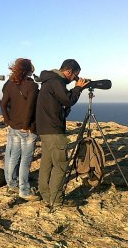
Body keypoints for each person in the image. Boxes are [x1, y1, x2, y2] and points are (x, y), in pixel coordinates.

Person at [36, 59, 89, 207]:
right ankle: (56, 200)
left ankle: (46, 195)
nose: (75, 79)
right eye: (75, 76)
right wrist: (78, 89)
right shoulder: (56, 82)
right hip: (54, 130)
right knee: (60, 166)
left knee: (47, 164)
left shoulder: (48, 80)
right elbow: (68, 100)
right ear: (69, 71)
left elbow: (60, 101)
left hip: (44, 129)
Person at [0, 58, 40, 201]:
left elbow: (3, 104)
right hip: (27, 128)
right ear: (29, 69)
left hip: (14, 127)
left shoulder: (10, 84)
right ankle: (24, 190)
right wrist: (26, 125)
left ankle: (11, 184)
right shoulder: (32, 86)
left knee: (13, 157)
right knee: (25, 160)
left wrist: (8, 121)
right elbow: (30, 107)